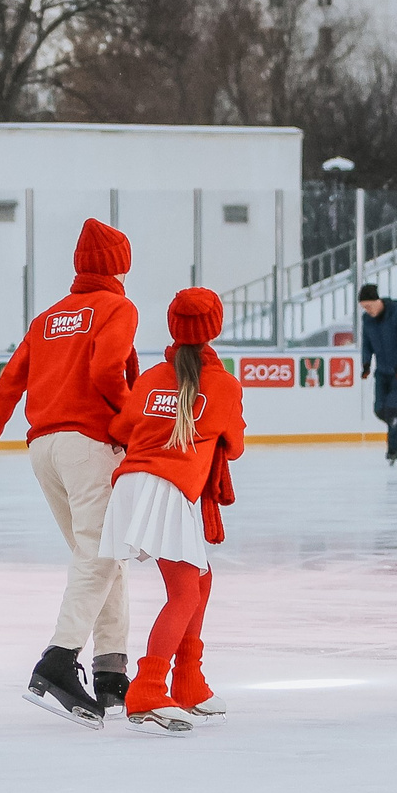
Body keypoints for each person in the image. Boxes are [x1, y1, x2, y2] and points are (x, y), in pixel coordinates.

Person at [0, 218, 141, 722]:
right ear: (119, 264)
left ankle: (110, 675)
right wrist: (132, 428)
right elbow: (109, 372)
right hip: (91, 446)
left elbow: (8, 385)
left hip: (45, 449)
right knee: (101, 556)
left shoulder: (49, 317)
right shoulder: (118, 307)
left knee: (102, 558)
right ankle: (59, 660)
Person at [102, 289, 246, 734]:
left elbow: (120, 428)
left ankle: (188, 680)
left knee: (200, 580)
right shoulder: (222, 386)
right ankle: (148, 687)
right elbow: (235, 447)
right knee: (184, 593)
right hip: (166, 490)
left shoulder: (150, 377)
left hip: (133, 484)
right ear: (214, 329)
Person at [357, 284, 397, 463]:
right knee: (379, 410)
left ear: (378, 301)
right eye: (364, 308)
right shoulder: (367, 319)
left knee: (391, 411)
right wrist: (366, 363)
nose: (367, 311)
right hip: (382, 370)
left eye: (369, 306)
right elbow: (366, 343)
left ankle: (392, 451)